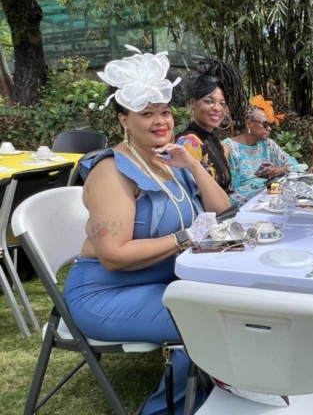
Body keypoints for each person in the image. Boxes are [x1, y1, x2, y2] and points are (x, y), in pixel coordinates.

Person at [63, 47, 231, 415]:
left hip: (161, 282)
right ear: (124, 119)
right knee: (206, 323)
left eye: (165, 112)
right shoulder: (113, 171)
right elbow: (113, 256)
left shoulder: (168, 158)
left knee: (232, 306)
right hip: (104, 294)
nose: (161, 122)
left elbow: (222, 209)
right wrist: (187, 237)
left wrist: (192, 165)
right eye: (147, 113)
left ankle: (212, 399)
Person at [222, 95, 306, 206]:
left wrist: (279, 170)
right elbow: (226, 185)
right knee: (279, 197)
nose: (269, 128)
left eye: (270, 125)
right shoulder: (228, 147)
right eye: (265, 124)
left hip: (266, 190)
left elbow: (293, 164)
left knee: (291, 192)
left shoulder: (266, 143)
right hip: (240, 198)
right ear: (248, 123)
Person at [176, 59, 244, 192]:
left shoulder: (212, 139)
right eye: (209, 101)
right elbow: (192, 194)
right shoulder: (189, 142)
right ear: (192, 103)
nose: (217, 108)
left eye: (222, 103)